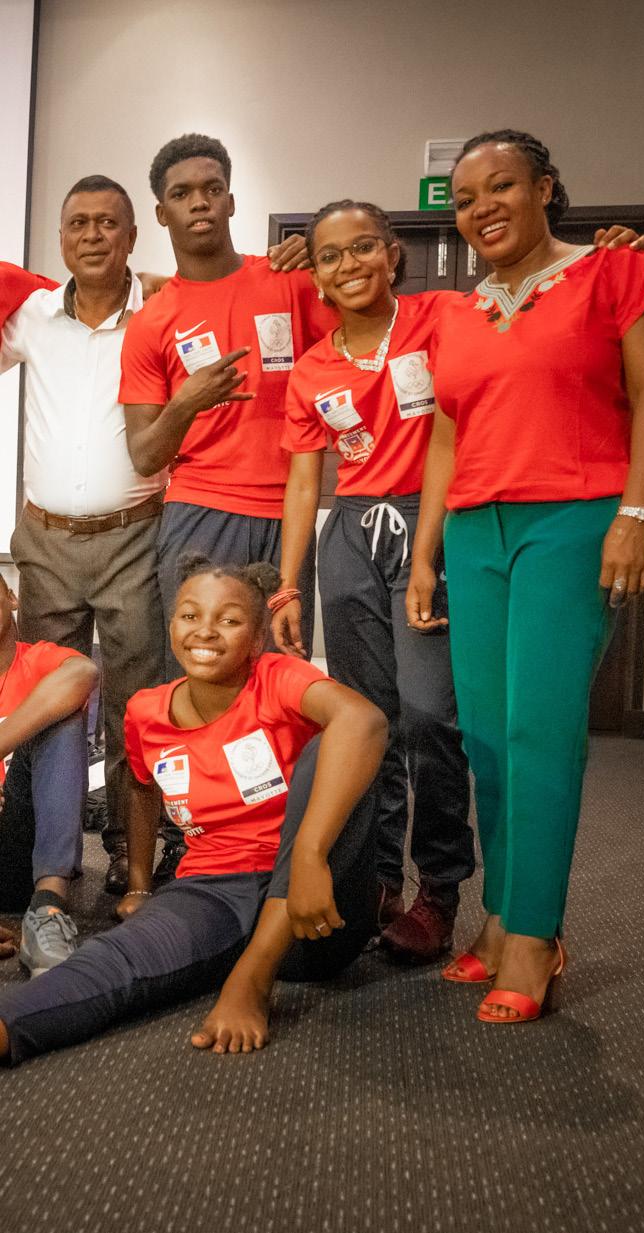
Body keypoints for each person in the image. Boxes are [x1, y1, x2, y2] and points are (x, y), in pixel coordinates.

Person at [407, 130, 644, 1024]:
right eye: (464, 198)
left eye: (501, 187)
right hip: (474, 529)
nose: (481, 207)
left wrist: (636, 515)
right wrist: (426, 549)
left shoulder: (617, 273)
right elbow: (446, 434)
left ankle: (534, 932)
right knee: (485, 735)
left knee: (540, 729)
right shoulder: (456, 313)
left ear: (545, 189)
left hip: (572, 518)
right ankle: (497, 916)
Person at [0, 555, 387, 1065]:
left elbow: (365, 721)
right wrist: (140, 886)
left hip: (315, 911)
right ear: (172, 626)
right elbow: (141, 790)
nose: (205, 630)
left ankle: (252, 979)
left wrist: (311, 857)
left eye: (229, 619)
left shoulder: (277, 678)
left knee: (332, 746)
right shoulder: (148, 711)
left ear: (258, 639)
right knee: (116, 957)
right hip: (213, 888)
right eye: (189, 615)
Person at [275, 201, 473, 962]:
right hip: (351, 532)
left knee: (428, 716)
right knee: (367, 718)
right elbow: (304, 483)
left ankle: (441, 886)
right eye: (330, 255)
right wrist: (287, 585)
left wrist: (610, 254)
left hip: (430, 523)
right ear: (317, 275)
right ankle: (381, 876)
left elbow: (531, 297)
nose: (348, 264)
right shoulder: (312, 369)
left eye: (363, 247)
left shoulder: (441, 317)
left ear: (392, 254)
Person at [0, 177, 169, 896]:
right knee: (45, 704)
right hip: (45, 542)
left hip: (134, 537)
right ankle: (47, 866)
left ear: (132, 236)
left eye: (107, 223)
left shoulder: (160, 310)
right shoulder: (33, 317)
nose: (92, 234)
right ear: (61, 239)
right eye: (78, 224)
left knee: (136, 705)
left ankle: (130, 855)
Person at [121, 134, 337, 677]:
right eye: (182, 193)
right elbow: (145, 456)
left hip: (288, 513)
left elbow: (359, 356)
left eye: (212, 189)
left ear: (231, 201)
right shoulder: (151, 322)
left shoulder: (290, 281)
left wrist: (323, 257)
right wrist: (185, 404)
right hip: (200, 512)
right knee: (200, 671)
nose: (199, 202)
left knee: (282, 673)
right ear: (162, 213)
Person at [0, 573, 99, 976]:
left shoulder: (37, 659)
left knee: (64, 717)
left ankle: (48, 909)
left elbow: (84, 673)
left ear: (12, 597)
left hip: (26, 845)